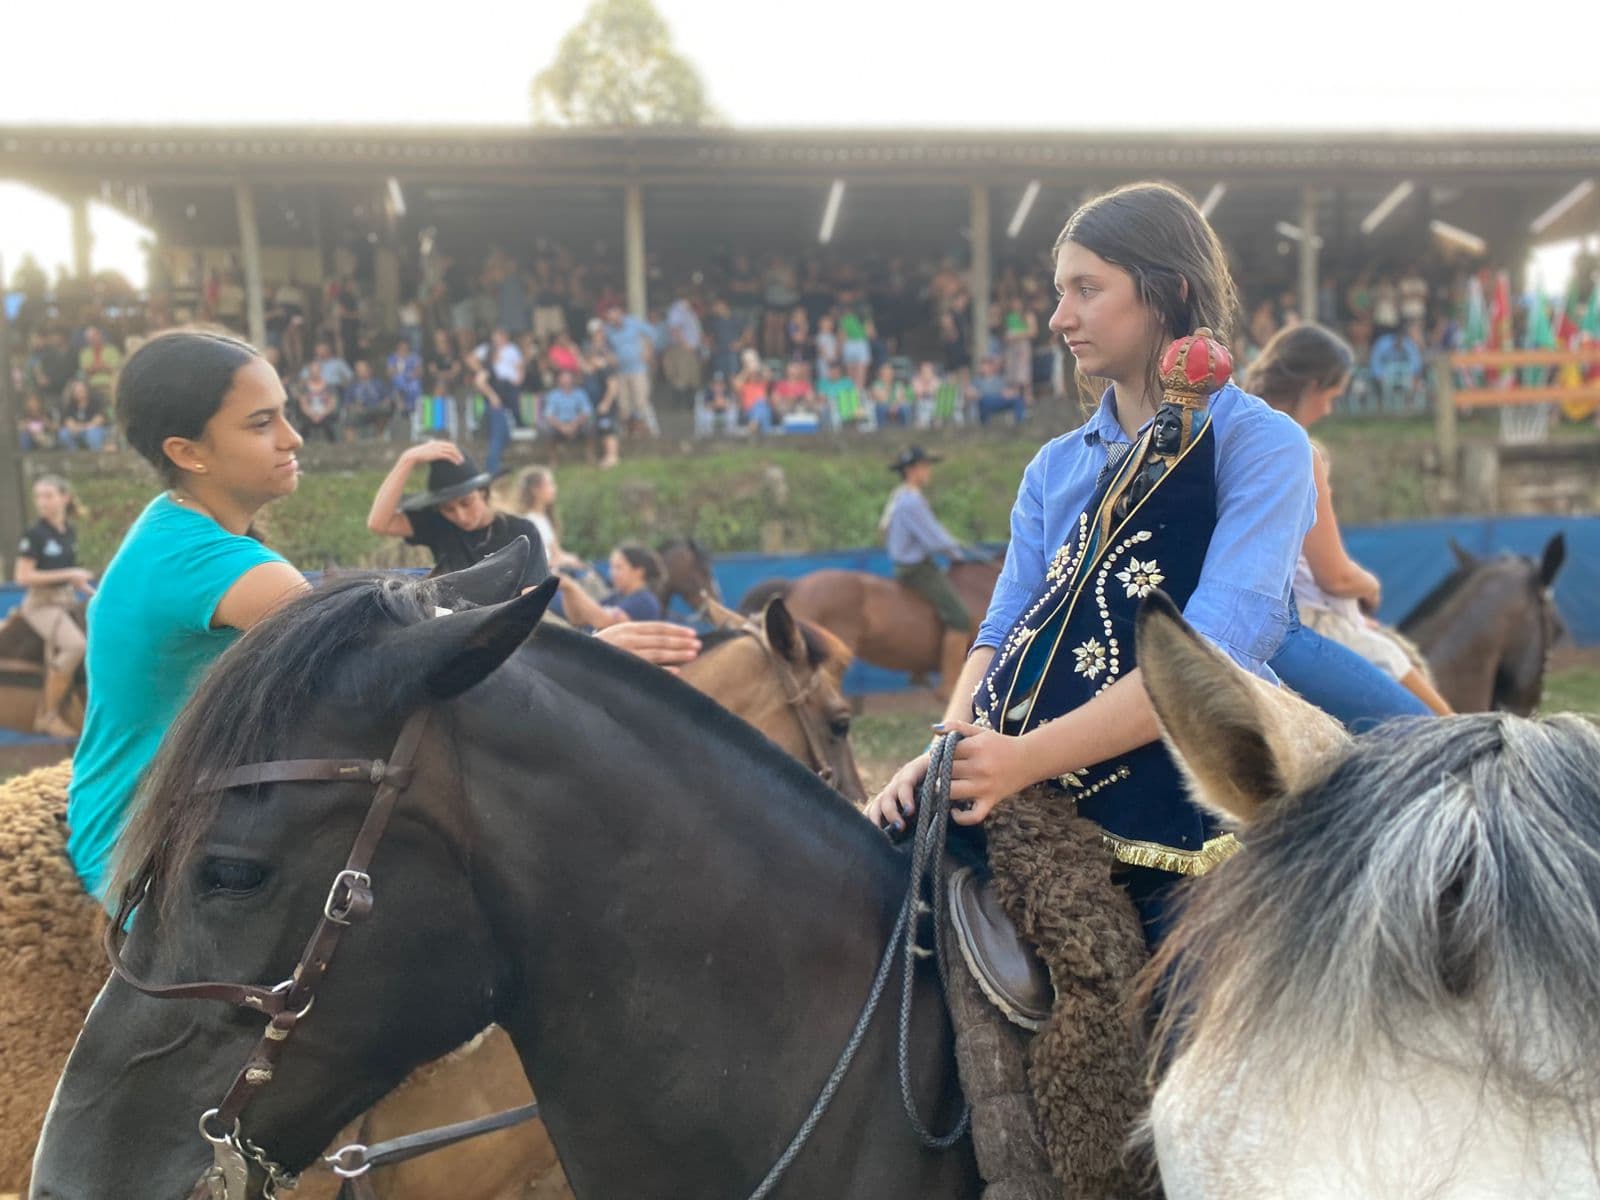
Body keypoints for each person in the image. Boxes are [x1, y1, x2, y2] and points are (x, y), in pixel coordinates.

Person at [868, 182, 1316, 954]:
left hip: (1186, 780)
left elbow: (1204, 661)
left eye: (1086, 289)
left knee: (1184, 1015)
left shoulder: (1264, 445)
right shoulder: (1052, 467)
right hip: (1022, 757)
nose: (1057, 317)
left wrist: (1020, 760)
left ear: (1166, 293)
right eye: (1058, 291)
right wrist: (950, 752)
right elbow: (1005, 626)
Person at [67, 329, 309, 900]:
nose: (292, 438)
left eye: (285, 415)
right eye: (261, 422)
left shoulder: (174, 522)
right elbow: (375, 650)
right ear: (187, 452)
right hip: (143, 861)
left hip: (166, 819)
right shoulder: (207, 562)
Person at [1247, 324, 1452, 715]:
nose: (1329, 409)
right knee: (1442, 726)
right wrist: (1370, 585)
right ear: (1312, 385)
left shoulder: (1236, 429)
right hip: (1297, 625)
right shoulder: (1299, 453)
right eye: (1331, 396)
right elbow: (1335, 577)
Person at [366, 440, 548, 588]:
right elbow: (379, 523)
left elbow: (532, 594)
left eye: (466, 503)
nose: (460, 516)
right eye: (448, 509)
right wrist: (407, 459)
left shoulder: (522, 531)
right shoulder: (440, 526)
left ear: (483, 493)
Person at [880, 446, 973, 697]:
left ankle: (918, 669)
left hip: (910, 564)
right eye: (924, 466)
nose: (928, 471)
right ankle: (949, 684)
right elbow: (934, 538)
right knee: (960, 617)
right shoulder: (911, 501)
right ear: (912, 471)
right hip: (917, 568)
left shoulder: (900, 497)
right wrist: (956, 552)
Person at [14, 475, 92, 737]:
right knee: (75, 645)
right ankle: (48, 715)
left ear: (64, 498)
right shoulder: (34, 534)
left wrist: (93, 593)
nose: (42, 502)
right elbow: (23, 577)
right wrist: (69, 573)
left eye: (48, 495)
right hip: (41, 605)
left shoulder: (68, 532)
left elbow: (70, 577)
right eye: (39, 497)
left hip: (67, 600)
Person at [555, 543, 665, 629]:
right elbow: (577, 619)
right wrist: (567, 590)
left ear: (638, 572)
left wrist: (572, 586)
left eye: (618, 567)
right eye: (612, 567)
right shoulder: (617, 597)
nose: (611, 573)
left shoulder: (645, 601)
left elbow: (604, 622)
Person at [603, 304, 658, 437]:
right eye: (610, 319)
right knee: (624, 405)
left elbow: (653, 333)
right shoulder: (608, 330)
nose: (613, 321)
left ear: (620, 313)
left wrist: (649, 351)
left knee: (641, 401)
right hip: (621, 371)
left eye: (615, 317)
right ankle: (626, 433)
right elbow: (604, 345)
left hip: (638, 369)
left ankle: (653, 431)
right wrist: (609, 356)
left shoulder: (633, 323)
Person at [541, 368, 594, 452]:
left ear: (572, 379)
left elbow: (586, 411)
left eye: (568, 378)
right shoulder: (553, 395)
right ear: (558, 380)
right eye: (563, 378)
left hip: (577, 423)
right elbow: (549, 414)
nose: (566, 380)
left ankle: (590, 455)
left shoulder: (580, 393)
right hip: (559, 424)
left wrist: (574, 424)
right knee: (548, 431)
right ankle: (553, 460)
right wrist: (561, 426)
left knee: (590, 428)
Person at [57, 379, 109, 451]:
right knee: (63, 433)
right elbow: (69, 424)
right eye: (76, 391)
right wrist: (80, 428)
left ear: (87, 390)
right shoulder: (70, 405)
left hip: (96, 430)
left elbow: (98, 421)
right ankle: (74, 456)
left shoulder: (96, 401)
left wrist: (81, 428)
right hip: (78, 432)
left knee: (92, 433)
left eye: (82, 390)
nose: (80, 393)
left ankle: (96, 456)